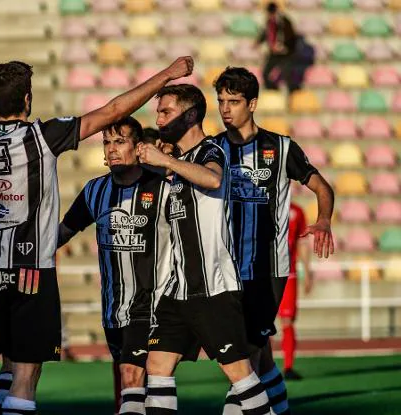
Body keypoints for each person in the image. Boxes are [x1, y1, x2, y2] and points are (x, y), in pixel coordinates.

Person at [0, 44, 194, 415]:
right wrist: (166, 74)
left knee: (8, 362)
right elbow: (114, 111)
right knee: (26, 372)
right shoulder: (41, 136)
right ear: (28, 98)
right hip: (32, 270)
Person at [137, 84, 271, 415]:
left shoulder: (211, 150)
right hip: (178, 289)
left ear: (192, 114)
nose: (160, 118)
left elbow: (212, 180)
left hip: (213, 288)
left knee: (239, 374)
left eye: (166, 111)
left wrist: (164, 159)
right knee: (156, 366)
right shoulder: (177, 162)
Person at [213, 67, 334, 415]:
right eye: (221, 101)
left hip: (267, 269)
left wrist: (323, 219)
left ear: (252, 104)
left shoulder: (280, 148)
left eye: (233, 102)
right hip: (224, 270)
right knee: (259, 357)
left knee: (242, 360)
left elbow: (322, 187)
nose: (225, 109)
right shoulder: (212, 149)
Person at [59, 116, 172, 415]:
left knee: (131, 379)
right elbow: (63, 232)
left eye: (119, 142)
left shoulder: (162, 190)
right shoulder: (95, 191)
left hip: (150, 306)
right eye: (107, 142)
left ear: (138, 148)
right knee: (141, 386)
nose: (111, 149)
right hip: (112, 310)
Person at [279, 202, 312, 380]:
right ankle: (256, 368)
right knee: (260, 323)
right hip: (262, 275)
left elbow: (302, 242)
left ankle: (288, 367)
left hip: (288, 274)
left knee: (287, 320)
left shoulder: (296, 211)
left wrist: (307, 272)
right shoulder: (260, 203)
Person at [256, 2, 297, 91]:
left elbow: (291, 37)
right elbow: (266, 33)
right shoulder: (269, 22)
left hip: (286, 53)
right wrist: (258, 42)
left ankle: (292, 93)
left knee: (287, 74)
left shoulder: (285, 22)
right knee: (265, 73)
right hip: (274, 53)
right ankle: (273, 91)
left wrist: (283, 47)